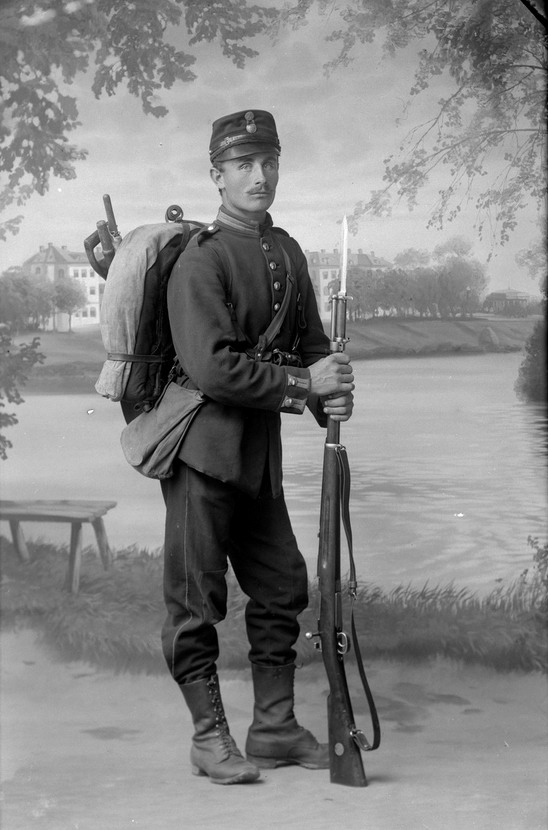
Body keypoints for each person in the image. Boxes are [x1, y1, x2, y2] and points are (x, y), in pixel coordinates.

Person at [162, 109, 355, 785]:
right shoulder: (202, 258)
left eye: (268, 162)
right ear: (217, 176)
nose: (259, 176)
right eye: (243, 165)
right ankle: (207, 738)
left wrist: (329, 393)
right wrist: (304, 384)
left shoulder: (288, 252)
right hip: (202, 453)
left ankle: (273, 728)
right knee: (195, 601)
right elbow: (214, 369)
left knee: (280, 587)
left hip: (257, 456)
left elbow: (310, 348)